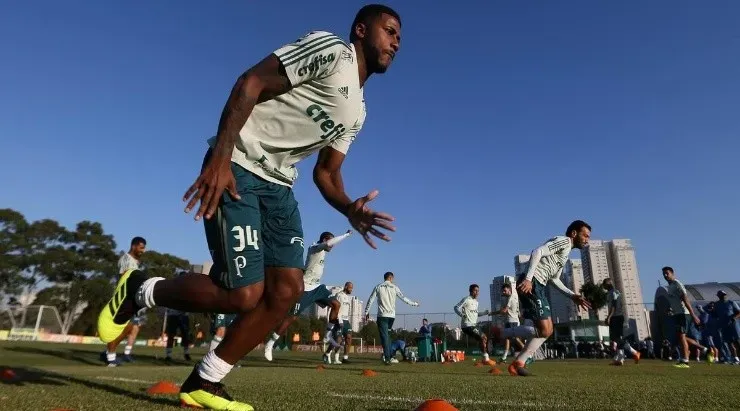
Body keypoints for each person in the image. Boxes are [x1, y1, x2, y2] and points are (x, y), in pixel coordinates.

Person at [96, 5, 402, 409]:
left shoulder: (359, 111)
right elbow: (252, 80)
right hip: (237, 164)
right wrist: (221, 159)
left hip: (279, 186)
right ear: (361, 30)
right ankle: (141, 289)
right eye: (390, 31)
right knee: (242, 294)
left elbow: (326, 174)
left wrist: (349, 208)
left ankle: (205, 382)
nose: (396, 42)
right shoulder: (332, 50)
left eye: (399, 37)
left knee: (286, 292)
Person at [491, 220, 592, 376]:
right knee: (544, 329)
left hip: (540, 285)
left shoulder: (565, 254)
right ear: (574, 233)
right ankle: (502, 334)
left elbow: (554, 279)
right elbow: (537, 251)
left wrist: (573, 295)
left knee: (548, 330)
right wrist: (529, 279)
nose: (587, 240)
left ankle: (518, 363)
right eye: (585, 235)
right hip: (533, 282)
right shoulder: (564, 241)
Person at [263, 230, 352, 363]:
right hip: (305, 288)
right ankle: (271, 342)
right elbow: (329, 243)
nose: (332, 246)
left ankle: (327, 334)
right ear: (324, 240)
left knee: (336, 304)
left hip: (317, 287)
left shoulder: (323, 252)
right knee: (292, 317)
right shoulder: (314, 247)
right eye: (330, 242)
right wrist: (345, 235)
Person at [99, 236, 146, 367]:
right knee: (122, 328)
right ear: (134, 246)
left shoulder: (134, 262)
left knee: (129, 329)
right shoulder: (126, 259)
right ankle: (110, 358)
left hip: (130, 298)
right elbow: (123, 279)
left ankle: (108, 353)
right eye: (141, 247)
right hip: (123, 299)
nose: (144, 250)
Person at [364, 271, 419, 365]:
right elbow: (403, 298)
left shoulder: (378, 286)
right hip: (391, 316)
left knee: (384, 337)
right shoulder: (394, 287)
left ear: (384, 278)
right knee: (388, 336)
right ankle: (391, 356)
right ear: (391, 278)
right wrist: (414, 304)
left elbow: (371, 299)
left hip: (382, 316)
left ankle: (387, 357)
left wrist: (366, 312)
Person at [661, 266, 706, 368]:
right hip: (677, 314)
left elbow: (685, 299)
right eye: (664, 274)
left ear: (673, 273)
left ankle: (685, 361)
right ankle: (704, 349)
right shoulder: (670, 286)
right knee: (681, 337)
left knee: (681, 337)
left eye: (667, 273)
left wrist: (693, 314)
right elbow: (676, 301)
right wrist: (670, 309)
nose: (665, 275)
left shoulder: (677, 284)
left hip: (683, 314)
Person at [602, 278, 640, 365]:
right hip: (616, 316)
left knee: (618, 338)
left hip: (617, 317)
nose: (603, 286)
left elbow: (614, 306)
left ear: (608, 283)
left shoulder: (614, 292)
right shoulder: (612, 293)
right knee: (616, 339)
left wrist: (609, 317)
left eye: (604, 284)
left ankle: (635, 353)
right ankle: (620, 359)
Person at [453, 284, 494, 365]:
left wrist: (485, 313)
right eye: (475, 290)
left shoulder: (476, 302)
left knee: (483, 338)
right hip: (467, 325)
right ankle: (486, 359)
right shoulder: (466, 299)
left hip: (474, 325)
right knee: (482, 338)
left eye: (478, 291)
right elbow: (456, 307)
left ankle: (485, 358)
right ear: (471, 291)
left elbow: (476, 314)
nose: (477, 292)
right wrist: (461, 314)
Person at [491, 282, 524, 363]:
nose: (503, 292)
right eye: (502, 291)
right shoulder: (514, 297)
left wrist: (495, 313)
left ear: (509, 290)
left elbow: (505, 310)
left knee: (515, 339)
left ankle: (529, 354)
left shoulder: (511, 298)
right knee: (507, 338)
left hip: (512, 321)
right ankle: (504, 356)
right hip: (511, 320)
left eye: (505, 291)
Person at [714, 290, 740, 364]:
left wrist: (734, 318)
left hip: (733, 325)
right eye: (721, 295)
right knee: (729, 342)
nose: (723, 296)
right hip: (724, 326)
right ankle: (736, 358)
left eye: (724, 294)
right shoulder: (716, 304)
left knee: (737, 341)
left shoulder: (731, 303)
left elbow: (739, 312)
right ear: (718, 296)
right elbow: (715, 315)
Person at [334, 281, 355, 363]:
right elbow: (336, 308)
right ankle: (336, 358)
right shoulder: (339, 295)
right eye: (350, 288)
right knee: (338, 339)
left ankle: (345, 358)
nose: (351, 290)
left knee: (349, 338)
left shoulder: (348, 297)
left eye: (352, 288)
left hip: (346, 321)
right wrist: (339, 319)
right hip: (339, 319)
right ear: (346, 287)